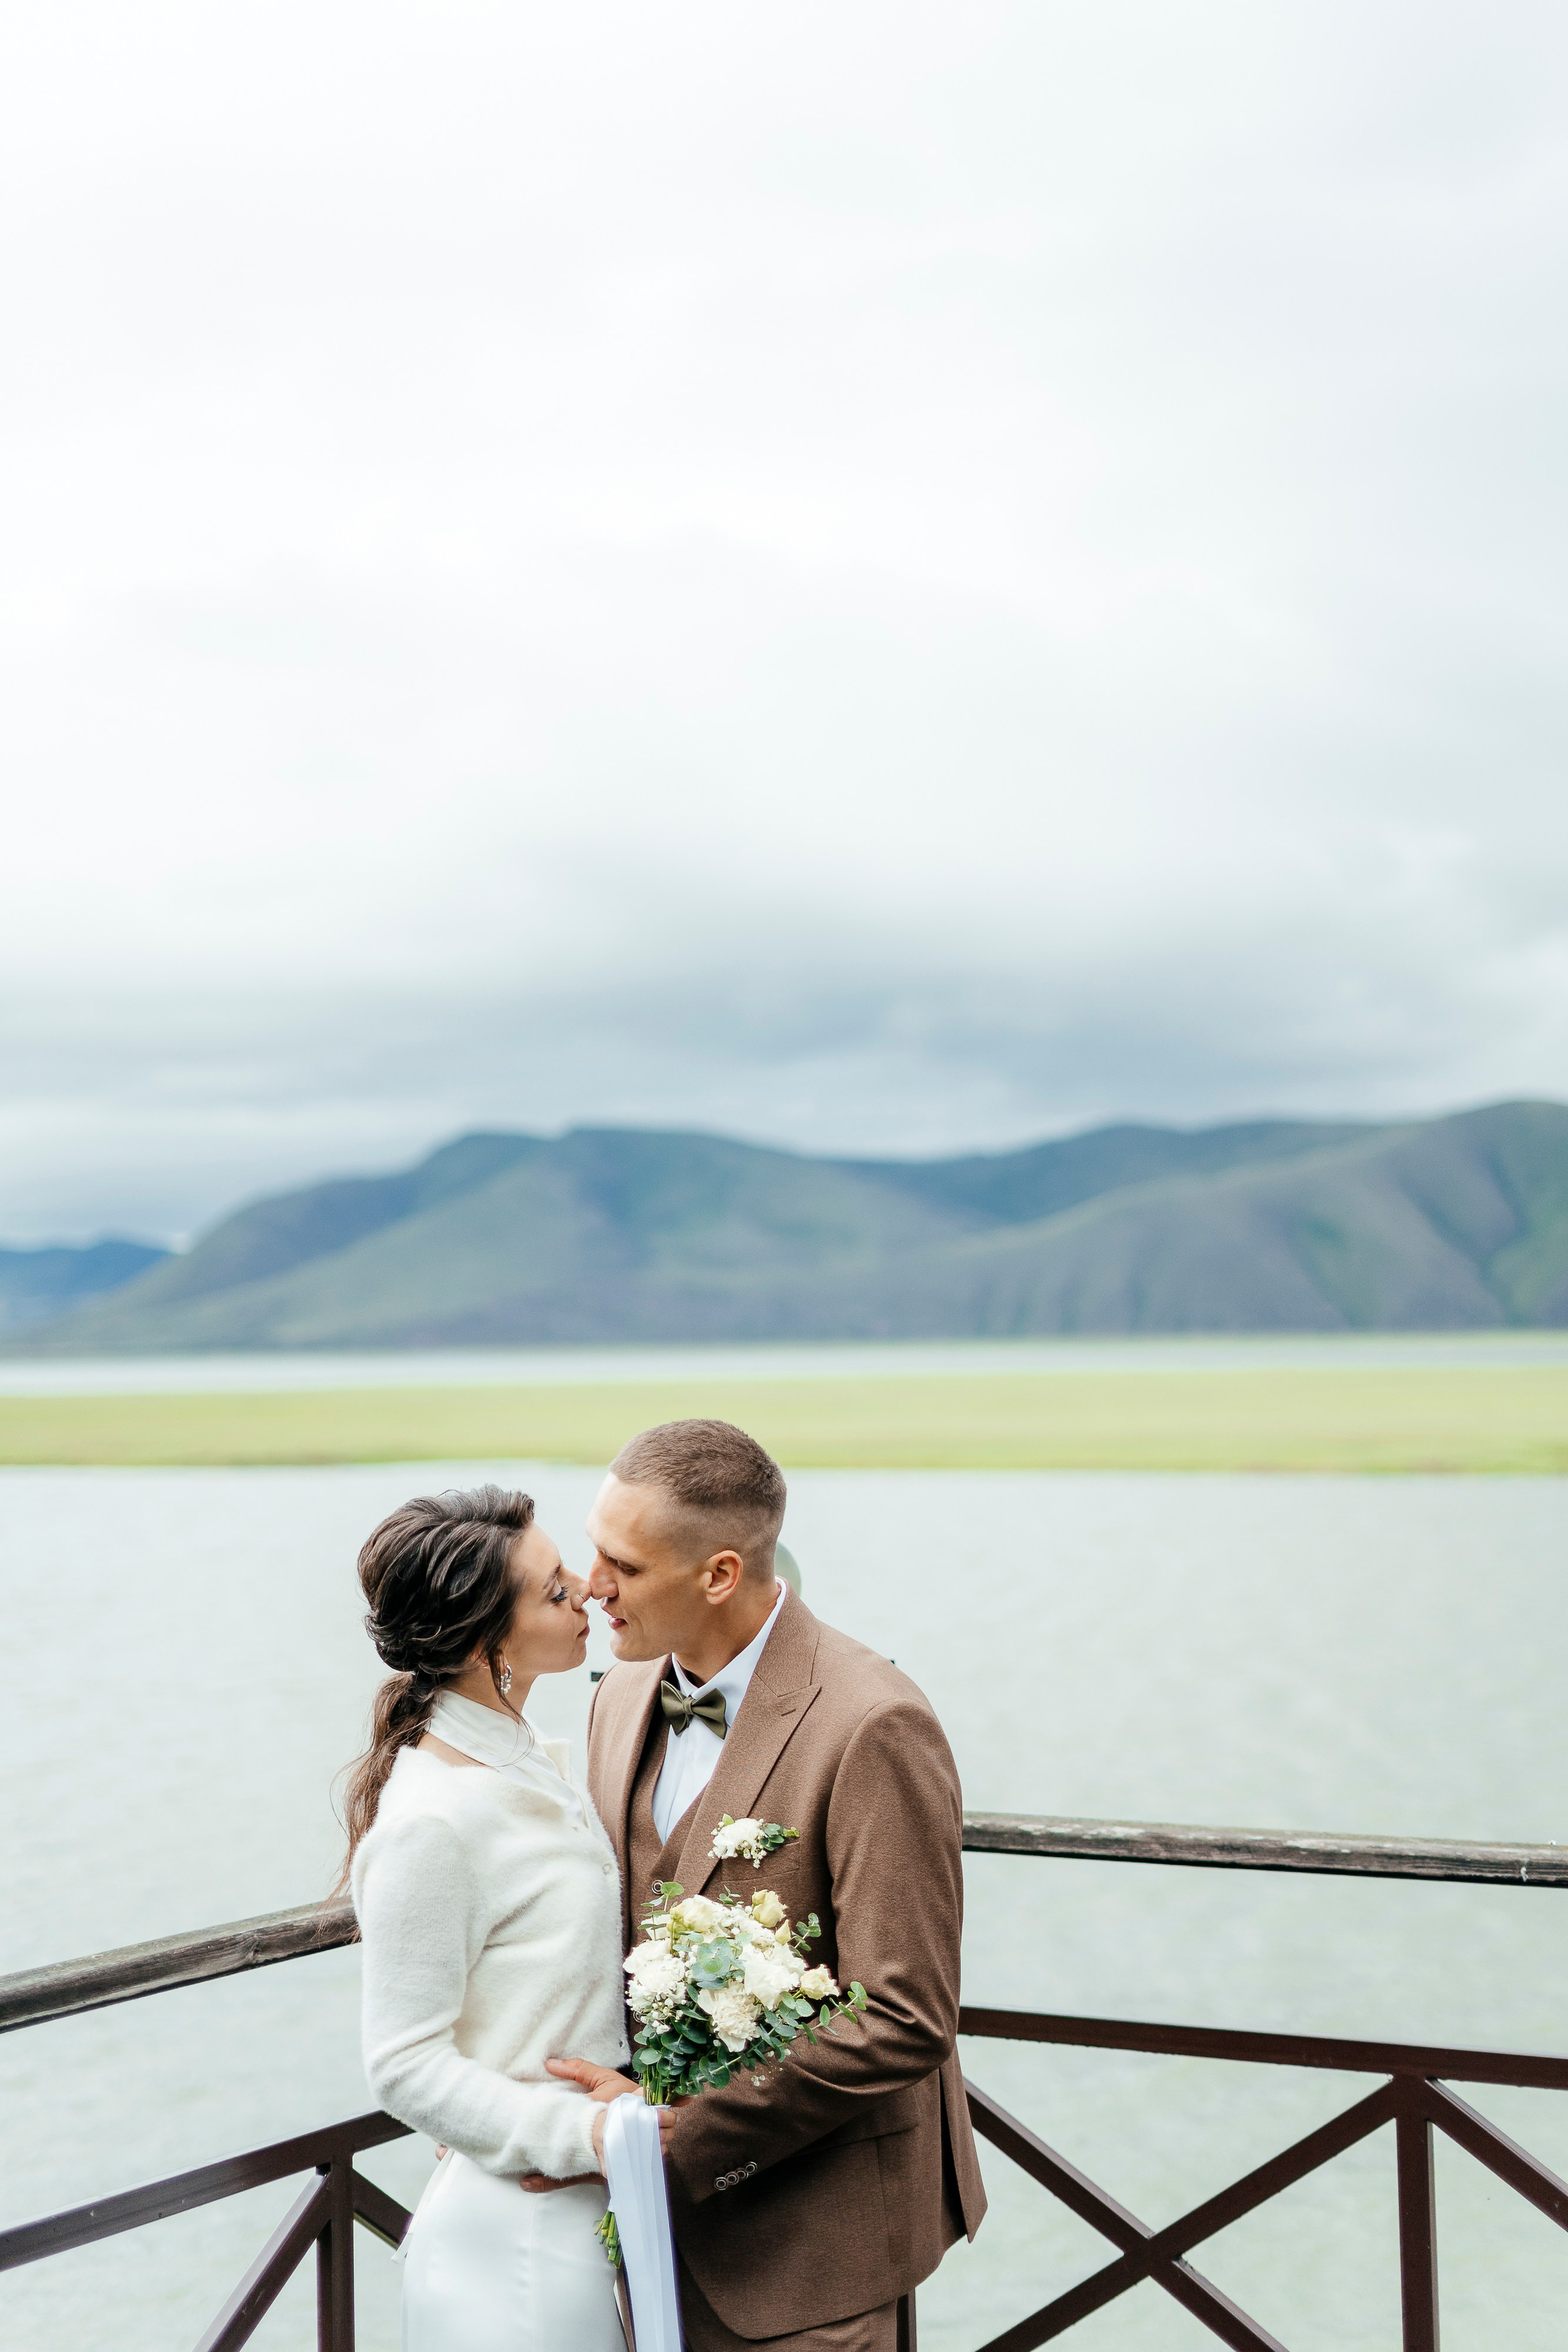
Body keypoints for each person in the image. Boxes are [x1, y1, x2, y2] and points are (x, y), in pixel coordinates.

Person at [559, 1419, 987, 2352]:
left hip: (814, 2247)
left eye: (620, 1566)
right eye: (595, 1550)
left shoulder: (875, 1722)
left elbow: (908, 2013)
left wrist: (691, 2134)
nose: (591, 1586)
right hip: (645, 2238)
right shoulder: (618, 1693)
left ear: (718, 1574)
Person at [342, 1483, 666, 2352]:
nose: (591, 1591)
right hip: (516, 2242)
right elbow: (404, 2063)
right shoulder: (433, 1822)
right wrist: (587, 2133)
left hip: (577, 2213)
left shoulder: (524, 1759)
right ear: (489, 1645)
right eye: (557, 1591)